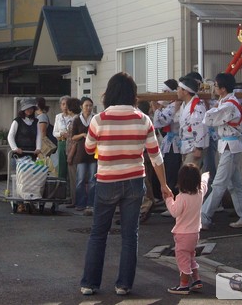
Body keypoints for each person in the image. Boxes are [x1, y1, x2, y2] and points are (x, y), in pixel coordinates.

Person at [80, 72, 171, 297]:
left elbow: (89, 149)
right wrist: (164, 185)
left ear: (109, 93)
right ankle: (123, 285)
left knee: (98, 234)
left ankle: (89, 284)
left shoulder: (98, 119)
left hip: (106, 182)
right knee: (130, 235)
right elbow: (155, 157)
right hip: (133, 181)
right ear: (132, 94)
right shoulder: (143, 119)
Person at [200, 73, 242, 230]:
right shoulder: (225, 102)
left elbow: (208, 119)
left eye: (216, 86)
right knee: (235, 184)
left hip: (230, 147)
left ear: (223, 89)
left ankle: (204, 216)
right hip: (228, 145)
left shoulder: (229, 105)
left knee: (219, 184)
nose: (214, 88)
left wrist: (210, 109)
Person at [165, 164, 209, 295]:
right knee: (191, 257)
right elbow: (205, 182)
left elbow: (174, 211)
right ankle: (196, 280)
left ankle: (183, 285)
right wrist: (206, 175)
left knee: (183, 259)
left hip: (183, 234)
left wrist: (168, 198)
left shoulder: (182, 197)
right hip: (195, 233)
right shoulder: (200, 192)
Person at [150, 79, 182, 196]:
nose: (163, 93)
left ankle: (171, 198)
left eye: (165, 91)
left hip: (175, 142)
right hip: (170, 141)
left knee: (171, 170)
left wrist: (156, 108)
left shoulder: (174, 105)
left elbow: (161, 121)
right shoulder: (171, 105)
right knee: (168, 168)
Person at [71, 96, 96, 216]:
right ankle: (80, 203)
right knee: (80, 179)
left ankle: (91, 203)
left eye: (90, 106)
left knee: (92, 180)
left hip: (93, 153)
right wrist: (82, 134)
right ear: (81, 107)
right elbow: (73, 137)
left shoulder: (95, 118)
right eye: (86, 106)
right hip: (81, 153)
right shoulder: (77, 120)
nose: (89, 108)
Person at [64, 98, 83, 208]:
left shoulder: (74, 120)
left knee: (74, 178)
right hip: (77, 152)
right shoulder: (79, 118)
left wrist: (70, 155)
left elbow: (73, 140)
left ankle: (75, 200)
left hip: (73, 152)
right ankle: (76, 200)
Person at [52, 95, 75, 179]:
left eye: (67, 104)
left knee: (71, 166)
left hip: (72, 143)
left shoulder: (73, 116)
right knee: (61, 166)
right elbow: (54, 132)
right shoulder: (58, 117)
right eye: (63, 104)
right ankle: (62, 187)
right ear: (60, 106)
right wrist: (61, 133)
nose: (65, 106)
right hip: (62, 142)